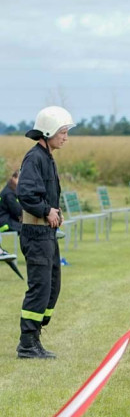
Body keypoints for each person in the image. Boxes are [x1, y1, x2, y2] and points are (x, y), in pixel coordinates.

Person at [15, 106, 73, 359]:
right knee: (40, 288)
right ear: (48, 131)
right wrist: (46, 210)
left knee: (52, 286)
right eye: (62, 132)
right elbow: (26, 194)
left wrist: (54, 211)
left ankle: (35, 335)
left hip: (46, 234)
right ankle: (27, 344)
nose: (66, 137)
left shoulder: (47, 156)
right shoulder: (34, 158)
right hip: (36, 234)